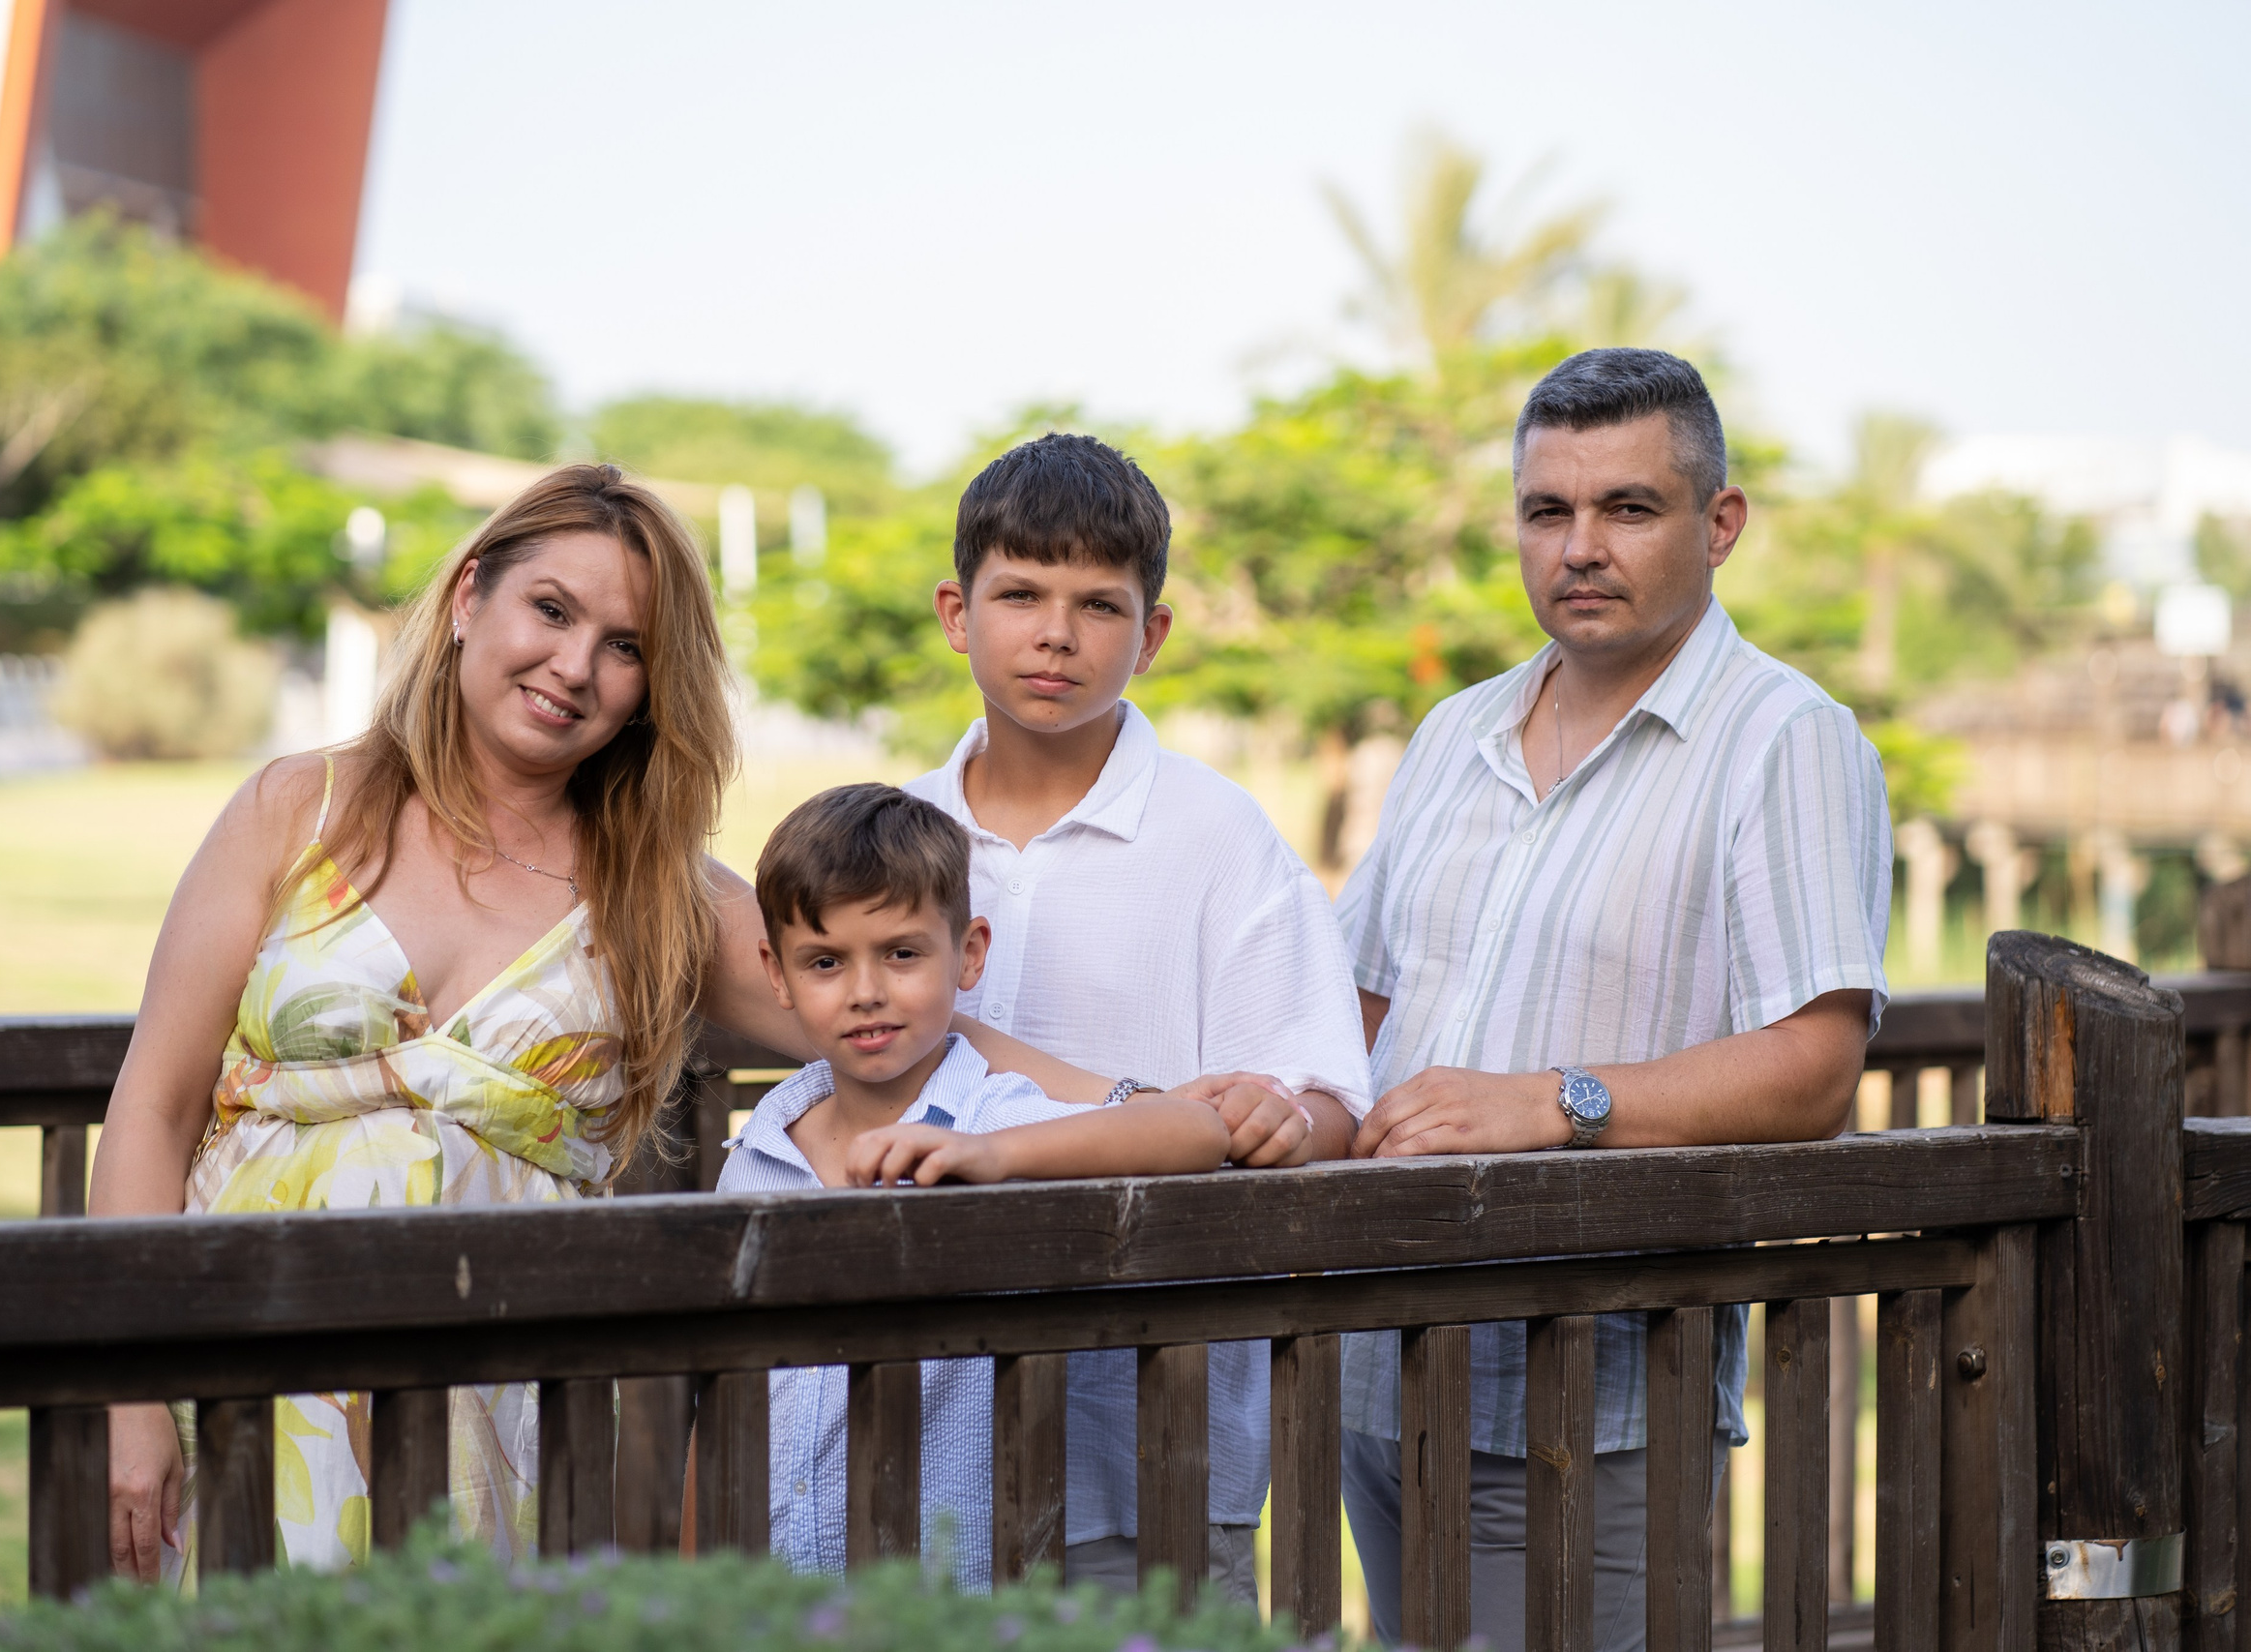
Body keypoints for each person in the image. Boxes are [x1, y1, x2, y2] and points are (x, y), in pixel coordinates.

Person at [87, 465, 1169, 1582]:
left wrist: (1141, 1107)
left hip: (502, 1398)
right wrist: (130, 1400)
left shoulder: (661, 896)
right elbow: (154, 1109)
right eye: (551, 611)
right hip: (237, 1362)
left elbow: (893, 1012)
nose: (574, 667)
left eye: (626, 645)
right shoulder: (295, 809)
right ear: (468, 600)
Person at [1336, 348, 1892, 1652]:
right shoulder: (1453, 731)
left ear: (1720, 523)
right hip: (1371, 1358)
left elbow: (1815, 1063)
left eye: (1628, 508)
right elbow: (1353, 1006)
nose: (1580, 547)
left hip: (1587, 1387)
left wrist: (1550, 1103)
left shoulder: (1784, 736)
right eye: (1549, 511)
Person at [903, 433, 1374, 1604]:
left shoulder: (1220, 841)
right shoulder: (893, 835)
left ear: (1149, 635)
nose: (1054, 633)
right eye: (1019, 594)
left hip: (1153, 1431)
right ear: (958, 613)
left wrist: (1280, 1122)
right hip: (915, 1419)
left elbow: (1325, 1098)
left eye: (1097, 604)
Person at [717, 783, 1230, 1590]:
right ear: (775, 974)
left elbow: (1196, 1130)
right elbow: (724, 1397)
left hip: (948, 1598)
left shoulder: (992, 1118)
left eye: (902, 953)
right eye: (825, 961)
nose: (865, 991)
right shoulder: (759, 1149)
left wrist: (993, 1154)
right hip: (773, 1595)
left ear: (971, 953)